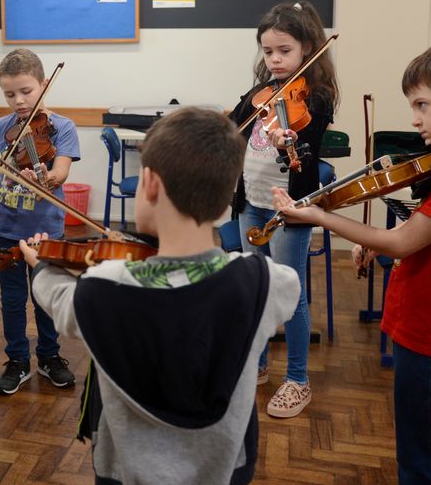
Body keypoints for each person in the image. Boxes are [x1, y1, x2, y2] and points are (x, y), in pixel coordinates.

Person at [273, 32, 431, 484]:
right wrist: (376, 240)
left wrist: (319, 215)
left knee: (425, 458)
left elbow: (401, 243)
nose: (415, 119)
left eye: (422, 105)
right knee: (421, 446)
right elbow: (423, 235)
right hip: (429, 328)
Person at [20, 107, 300, 484]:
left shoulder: (104, 287)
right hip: (225, 473)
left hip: (126, 476)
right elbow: (290, 284)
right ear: (224, 200)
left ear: (150, 184)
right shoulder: (263, 283)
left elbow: (57, 297)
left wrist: (42, 265)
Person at [227, 0, 339, 418]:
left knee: (290, 293)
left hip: (289, 209)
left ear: (307, 47)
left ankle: (297, 379)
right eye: (268, 51)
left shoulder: (317, 98)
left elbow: (307, 156)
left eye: (284, 51)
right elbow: (232, 128)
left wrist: (289, 143)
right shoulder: (260, 93)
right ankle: (256, 366)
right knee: (256, 287)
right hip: (251, 203)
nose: (274, 59)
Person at [0, 48, 80, 395]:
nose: (19, 101)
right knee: (12, 299)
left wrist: (46, 179)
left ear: (44, 84)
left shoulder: (61, 128)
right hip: (5, 229)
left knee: (46, 295)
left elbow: (61, 171)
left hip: (46, 230)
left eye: (26, 91)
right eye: (10, 94)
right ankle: (17, 359)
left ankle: (49, 356)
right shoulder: (2, 128)